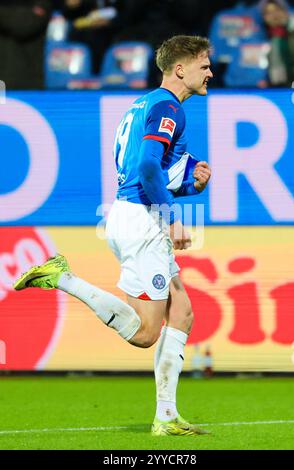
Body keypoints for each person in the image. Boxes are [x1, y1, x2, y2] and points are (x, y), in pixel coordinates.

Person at [13, 35, 213, 436]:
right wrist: (170, 216)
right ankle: (62, 276)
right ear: (180, 68)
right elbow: (147, 168)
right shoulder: (168, 107)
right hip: (143, 220)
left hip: (131, 215)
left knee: (183, 312)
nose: (210, 71)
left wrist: (192, 183)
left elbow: (149, 168)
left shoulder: (142, 105)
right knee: (144, 333)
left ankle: (167, 417)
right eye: (204, 64)